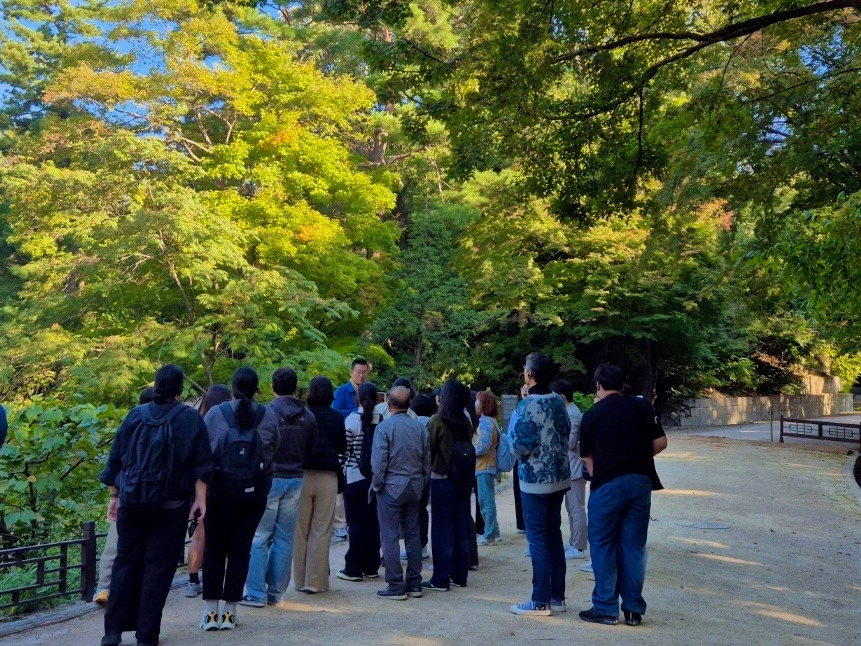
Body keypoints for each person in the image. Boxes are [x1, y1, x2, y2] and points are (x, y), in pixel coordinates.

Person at [100, 364, 212, 646]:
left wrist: (114, 496)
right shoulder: (189, 418)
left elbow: (115, 460)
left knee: (125, 562)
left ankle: (112, 632)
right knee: (159, 567)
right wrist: (201, 500)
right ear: (180, 389)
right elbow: (201, 465)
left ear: (156, 384)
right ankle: (146, 635)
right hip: (170, 505)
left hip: (132, 501)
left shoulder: (135, 415)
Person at [577, 363, 667, 627]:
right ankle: (633, 609)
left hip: (607, 483)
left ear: (598, 385)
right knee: (634, 546)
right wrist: (638, 457)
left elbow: (587, 459)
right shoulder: (642, 407)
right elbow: (661, 442)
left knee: (603, 542)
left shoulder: (592, 414)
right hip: (640, 481)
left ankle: (605, 607)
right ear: (622, 384)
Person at [201, 367, 279, 631]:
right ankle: (230, 613)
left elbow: (203, 450)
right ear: (257, 388)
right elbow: (273, 450)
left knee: (214, 549)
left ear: (233, 388)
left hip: (218, 492)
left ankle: (210, 613)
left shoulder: (215, 413)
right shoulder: (267, 415)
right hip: (253, 494)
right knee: (240, 550)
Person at [241, 368, 317, 607]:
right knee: (285, 537)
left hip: (270, 478)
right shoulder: (308, 416)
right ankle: (276, 593)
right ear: (295, 387)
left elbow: (258, 446)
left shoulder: (266, 413)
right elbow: (312, 449)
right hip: (296, 478)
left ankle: (256, 593)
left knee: (259, 536)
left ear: (272, 387)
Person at [508, 352, 571, 617]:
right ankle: (557, 596)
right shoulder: (558, 400)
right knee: (553, 534)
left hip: (535, 480)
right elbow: (566, 431)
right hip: (559, 477)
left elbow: (520, 445)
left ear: (530, 374)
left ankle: (539, 600)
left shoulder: (527, 405)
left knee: (537, 538)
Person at [94, 386, 156, 606]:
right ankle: (139, 588)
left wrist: (113, 495)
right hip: (154, 497)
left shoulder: (130, 424)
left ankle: (104, 587)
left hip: (126, 493)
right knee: (148, 544)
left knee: (115, 541)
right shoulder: (165, 427)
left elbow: (114, 462)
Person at [372, 386, 431, 599]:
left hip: (391, 486)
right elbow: (426, 461)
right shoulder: (420, 428)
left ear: (389, 405)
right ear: (410, 404)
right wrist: (422, 483)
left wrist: (377, 484)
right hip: (415, 486)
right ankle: (414, 583)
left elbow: (379, 462)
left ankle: (395, 584)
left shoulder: (384, 428)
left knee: (389, 535)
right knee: (413, 534)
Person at [293, 376, 347, 593]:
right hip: (328, 476)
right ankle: (315, 581)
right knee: (322, 529)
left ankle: (299, 580)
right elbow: (342, 446)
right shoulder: (337, 416)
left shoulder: (302, 415)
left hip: (303, 475)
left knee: (300, 530)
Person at [423, 378, 474, 592]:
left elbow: (428, 448)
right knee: (461, 528)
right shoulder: (466, 421)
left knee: (441, 530)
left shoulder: (437, 420)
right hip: (463, 480)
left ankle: (440, 578)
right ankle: (459, 575)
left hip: (442, 479)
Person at [186, 384, 232, 599]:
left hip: (199, 483)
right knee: (220, 534)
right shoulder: (230, 423)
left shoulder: (199, 421)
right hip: (223, 483)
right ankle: (213, 577)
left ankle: (192, 580)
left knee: (199, 534)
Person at [338, 382, 382, 582]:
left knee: (355, 524)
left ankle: (353, 568)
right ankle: (371, 566)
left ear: (358, 398)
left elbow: (344, 450)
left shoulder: (351, 420)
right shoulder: (381, 420)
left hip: (354, 477)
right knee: (373, 523)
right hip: (375, 480)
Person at [550, 379, 587, 560]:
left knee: (576, 508)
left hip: (574, 467)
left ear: (562, 397)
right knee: (571, 508)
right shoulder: (570, 411)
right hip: (570, 467)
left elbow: (571, 444)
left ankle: (579, 546)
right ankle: (574, 541)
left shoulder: (572, 414)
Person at [474, 391, 501, 545]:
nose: (475, 403)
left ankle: (489, 534)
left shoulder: (485, 423)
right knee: (487, 500)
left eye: (477, 400)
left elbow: (482, 447)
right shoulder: (491, 421)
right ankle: (493, 531)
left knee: (485, 502)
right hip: (488, 464)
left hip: (484, 465)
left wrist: (468, 450)